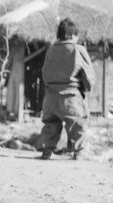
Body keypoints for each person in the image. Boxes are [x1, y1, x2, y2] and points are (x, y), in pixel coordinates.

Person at [38, 18, 95, 160]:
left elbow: (45, 72)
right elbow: (88, 77)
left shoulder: (50, 50)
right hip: (70, 97)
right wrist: (86, 89)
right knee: (77, 124)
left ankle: (46, 151)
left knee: (50, 124)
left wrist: (51, 88)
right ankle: (79, 153)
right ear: (73, 35)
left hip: (51, 97)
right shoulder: (78, 50)